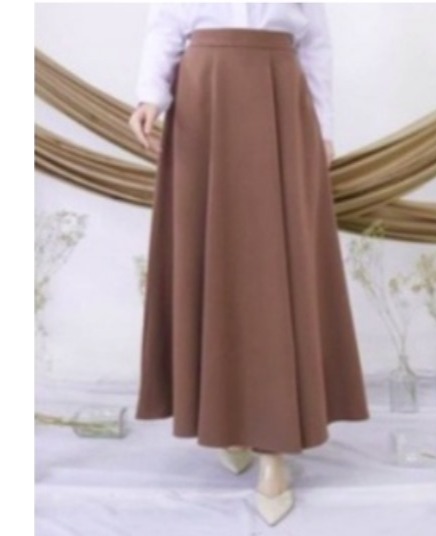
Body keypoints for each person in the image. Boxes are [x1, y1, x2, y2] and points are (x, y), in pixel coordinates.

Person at [128, 3, 370, 526]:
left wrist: (324, 126)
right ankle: (227, 419)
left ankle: (273, 449)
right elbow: (166, 23)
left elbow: (316, 43)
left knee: (272, 268)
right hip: (203, 99)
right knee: (212, 260)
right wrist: (150, 95)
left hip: (279, 99)